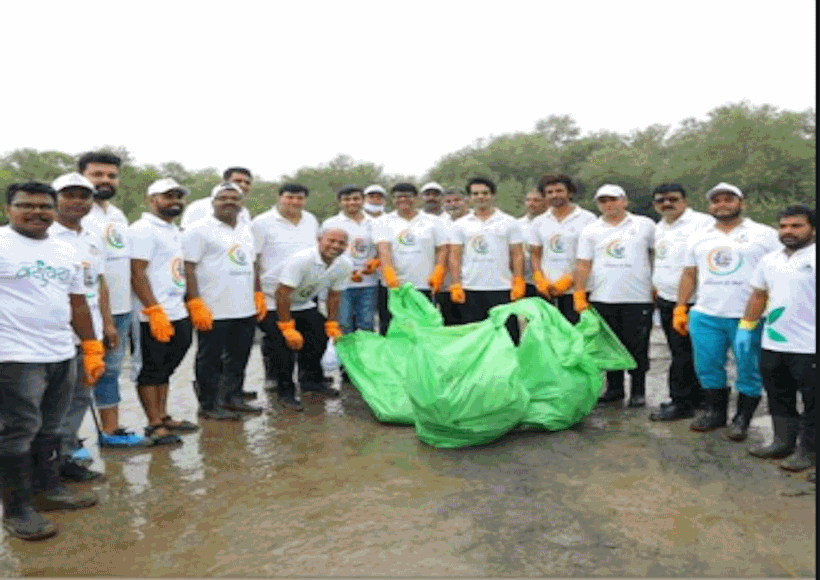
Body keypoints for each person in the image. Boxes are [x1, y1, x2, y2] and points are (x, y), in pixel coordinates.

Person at [0, 182, 104, 541]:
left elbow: (78, 301)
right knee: (17, 432)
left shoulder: (64, 249)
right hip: (14, 356)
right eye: (25, 205)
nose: (36, 212)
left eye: (44, 206)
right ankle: (16, 509)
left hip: (62, 351)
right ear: (7, 209)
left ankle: (48, 490)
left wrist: (90, 345)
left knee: (52, 428)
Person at [673, 182, 782, 438]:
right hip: (707, 314)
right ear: (710, 206)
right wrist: (681, 306)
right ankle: (715, 413)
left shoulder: (764, 234)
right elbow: (689, 274)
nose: (722, 205)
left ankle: (742, 418)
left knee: (749, 367)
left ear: (741, 203)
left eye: (728, 199)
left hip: (749, 317)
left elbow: (779, 271)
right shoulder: (699, 236)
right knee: (708, 366)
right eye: (716, 200)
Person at [49, 174, 118, 483]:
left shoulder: (92, 237)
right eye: (69, 194)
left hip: (90, 334)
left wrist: (108, 325)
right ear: (55, 198)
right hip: (54, 337)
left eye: (84, 195)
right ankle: (41, 466)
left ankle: (63, 457)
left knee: (78, 399)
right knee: (48, 405)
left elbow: (99, 283)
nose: (77, 201)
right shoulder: (44, 236)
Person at [77, 152, 147, 448]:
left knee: (112, 372)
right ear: (82, 176)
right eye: (98, 175)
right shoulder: (75, 213)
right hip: (86, 310)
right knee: (79, 376)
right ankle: (67, 438)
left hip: (121, 307)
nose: (105, 180)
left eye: (111, 175)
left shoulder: (117, 215)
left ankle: (111, 430)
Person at [182, 182, 267, 420]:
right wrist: (194, 301)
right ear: (213, 202)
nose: (229, 202)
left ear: (241, 204)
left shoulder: (244, 229)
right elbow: (187, 267)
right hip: (213, 307)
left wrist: (257, 293)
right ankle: (209, 404)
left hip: (243, 307)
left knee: (239, 356)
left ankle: (233, 397)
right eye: (223, 198)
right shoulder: (198, 230)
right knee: (209, 358)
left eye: (234, 198)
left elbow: (251, 264)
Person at [742, 205, 815, 473]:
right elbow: (758, 295)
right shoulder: (769, 260)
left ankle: (809, 451)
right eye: (783, 226)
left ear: (812, 228)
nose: (788, 231)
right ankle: (782, 442)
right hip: (774, 343)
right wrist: (746, 326)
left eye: (797, 226)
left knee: (813, 402)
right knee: (778, 395)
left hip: (810, 346)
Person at [130, 178, 199, 446]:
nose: (174, 202)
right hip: (151, 313)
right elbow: (136, 271)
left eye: (178, 197)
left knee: (167, 366)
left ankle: (163, 414)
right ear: (151, 200)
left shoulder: (172, 230)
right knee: (150, 367)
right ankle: (153, 423)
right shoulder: (143, 229)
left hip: (177, 309)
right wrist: (153, 308)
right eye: (167, 196)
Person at [574, 184, 655, 407]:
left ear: (624, 201)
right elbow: (583, 264)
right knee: (609, 345)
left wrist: (657, 282)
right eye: (603, 201)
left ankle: (638, 390)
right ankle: (615, 389)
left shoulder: (644, 225)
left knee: (637, 344)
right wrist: (579, 293)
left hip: (638, 297)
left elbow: (656, 254)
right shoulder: (591, 230)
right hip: (602, 296)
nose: (608, 205)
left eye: (613, 199)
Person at [648, 184, 714, 421]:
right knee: (681, 351)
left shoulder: (703, 223)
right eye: (660, 200)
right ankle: (697, 397)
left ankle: (681, 402)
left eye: (672, 199)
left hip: (693, 300)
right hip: (666, 298)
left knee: (685, 354)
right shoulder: (659, 227)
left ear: (684, 201)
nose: (667, 204)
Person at [270, 228, 354, 410]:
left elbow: (334, 294)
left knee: (318, 336)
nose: (335, 246)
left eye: (341, 243)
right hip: (275, 302)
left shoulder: (344, 264)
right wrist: (287, 327)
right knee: (284, 347)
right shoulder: (303, 259)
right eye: (331, 241)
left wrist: (332, 322)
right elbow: (281, 293)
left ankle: (311, 381)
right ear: (319, 240)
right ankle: (285, 393)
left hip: (303, 302)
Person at [253, 184, 319, 391]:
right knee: (277, 342)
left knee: (312, 338)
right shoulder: (261, 223)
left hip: (305, 293)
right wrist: (256, 292)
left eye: (299, 198)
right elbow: (253, 259)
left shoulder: (311, 220)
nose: (294, 202)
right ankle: (279, 383)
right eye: (289, 197)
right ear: (280, 198)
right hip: (273, 294)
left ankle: (310, 380)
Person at [448, 177, 526, 342]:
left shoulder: (509, 222)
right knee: (475, 338)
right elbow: (454, 256)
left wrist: (518, 280)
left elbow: (517, 254)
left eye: (485, 193)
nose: (480, 197)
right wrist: (456, 283)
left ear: (493, 195)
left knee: (507, 337)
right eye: (475, 194)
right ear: (469, 198)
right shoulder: (460, 225)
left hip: (502, 288)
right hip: (470, 288)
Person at [374, 183, 449, 333]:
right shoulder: (383, 221)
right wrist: (389, 274)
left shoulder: (433, 221)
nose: (403, 199)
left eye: (407, 196)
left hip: (424, 284)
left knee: (425, 327)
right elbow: (384, 250)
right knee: (391, 326)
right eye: (398, 197)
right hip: (395, 286)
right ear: (393, 200)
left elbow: (442, 249)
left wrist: (439, 271)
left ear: (415, 198)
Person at [529, 174, 596, 323]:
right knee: (549, 335)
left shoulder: (588, 219)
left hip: (578, 290)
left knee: (576, 336)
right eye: (550, 192)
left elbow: (591, 257)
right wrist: (539, 278)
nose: (554, 195)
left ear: (569, 193)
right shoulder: (539, 222)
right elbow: (535, 254)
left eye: (559, 191)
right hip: (548, 290)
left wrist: (571, 279)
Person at [322, 185, 380, 334]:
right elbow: (324, 251)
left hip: (369, 282)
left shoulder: (376, 222)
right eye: (346, 199)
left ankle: (366, 356)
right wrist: (347, 271)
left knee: (367, 323)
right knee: (344, 324)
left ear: (363, 200)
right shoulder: (330, 223)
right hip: (341, 284)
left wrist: (375, 262)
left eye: (356, 199)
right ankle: (345, 357)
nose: (351, 202)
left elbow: (382, 248)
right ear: (339, 202)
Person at [439, 188, 472, 325]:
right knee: (450, 322)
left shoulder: (474, 220)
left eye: (457, 200)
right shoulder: (439, 223)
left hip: (471, 282)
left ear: (466, 201)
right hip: (446, 284)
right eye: (448, 201)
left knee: (471, 321)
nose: (453, 204)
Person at [180, 167, 253, 229]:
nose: (243, 185)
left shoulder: (245, 212)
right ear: (225, 182)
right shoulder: (198, 207)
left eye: (247, 183)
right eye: (238, 181)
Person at [518, 188, 548, 297]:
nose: (531, 204)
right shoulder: (517, 225)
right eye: (528, 200)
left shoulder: (550, 223)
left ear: (545, 202)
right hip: (525, 282)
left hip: (548, 281)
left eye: (536, 200)